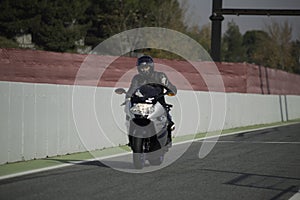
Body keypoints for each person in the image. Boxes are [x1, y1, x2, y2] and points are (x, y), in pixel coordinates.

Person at [126, 55, 177, 144]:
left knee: (167, 117)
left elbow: (169, 86)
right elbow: (132, 88)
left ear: (151, 67)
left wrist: (171, 90)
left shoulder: (160, 76)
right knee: (131, 116)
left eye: (146, 67)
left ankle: (168, 131)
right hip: (142, 102)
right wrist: (128, 97)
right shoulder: (137, 78)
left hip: (158, 102)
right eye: (141, 68)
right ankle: (132, 139)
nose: (143, 70)